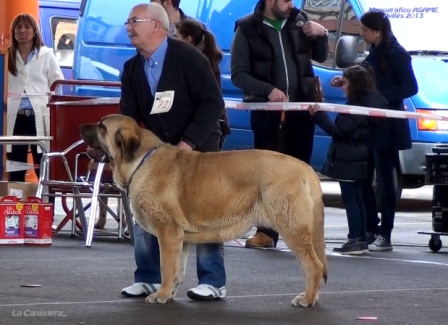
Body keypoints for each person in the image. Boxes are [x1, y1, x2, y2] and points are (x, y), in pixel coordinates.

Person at [119, 3, 226, 301]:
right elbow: (129, 118)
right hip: (156, 157)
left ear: (156, 25)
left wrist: (187, 143)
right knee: (144, 208)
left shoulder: (188, 57)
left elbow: (212, 104)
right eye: (127, 22)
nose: (128, 27)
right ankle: (149, 277)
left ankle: (213, 281)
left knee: (204, 212)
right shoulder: (131, 68)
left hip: (198, 148)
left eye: (133, 21)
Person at [230, 0, 329, 248]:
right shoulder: (246, 28)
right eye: (286, 0)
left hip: (301, 112)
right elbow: (238, 74)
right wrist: (268, 90)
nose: (291, 4)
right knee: (268, 175)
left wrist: (322, 35)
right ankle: (266, 232)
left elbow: (321, 56)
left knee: (300, 172)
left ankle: (302, 231)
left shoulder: (300, 21)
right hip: (267, 114)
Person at [333, 11, 418, 251]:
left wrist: (382, 98)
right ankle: (370, 227)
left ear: (377, 31)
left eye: (365, 30)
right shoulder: (374, 52)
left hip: (388, 126)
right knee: (363, 177)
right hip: (370, 125)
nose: (362, 34)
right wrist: (345, 80)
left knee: (384, 181)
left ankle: (385, 233)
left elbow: (410, 86)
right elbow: (366, 77)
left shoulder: (397, 54)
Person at [309, 65, 388, 255]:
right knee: (357, 197)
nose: (343, 87)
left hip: (348, 157)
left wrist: (318, 116)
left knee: (350, 199)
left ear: (354, 84)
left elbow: (338, 131)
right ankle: (360, 237)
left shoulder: (354, 109)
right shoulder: (369, 103)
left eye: (345, 83)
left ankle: (355, 238)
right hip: (359, 155)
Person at [7, 13, 64, 181]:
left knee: (44, 165)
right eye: (18, 27)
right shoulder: (7, 55)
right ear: (13, 32)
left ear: (35, 31)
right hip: (15, 118)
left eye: (27, 27)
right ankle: (15, 205)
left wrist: (57, 114)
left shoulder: (47, 55)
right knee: (15, 167)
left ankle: (46, 205)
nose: (23, 31)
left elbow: (57, 85)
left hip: (39, 117)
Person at [174, 19, 231, 148]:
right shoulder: (208, 58)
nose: (173, 41)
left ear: (188, 39)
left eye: (176, 36)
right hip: (213, 124)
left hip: (207, 127)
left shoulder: (197, 62)